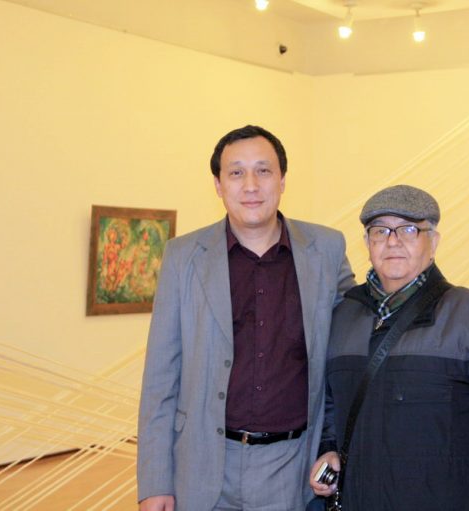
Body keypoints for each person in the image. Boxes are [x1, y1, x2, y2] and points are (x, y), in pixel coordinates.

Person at [138, 125, 355, 511]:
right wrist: (155, 482)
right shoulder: (182, 256)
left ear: (282, 180)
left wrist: (333, 443)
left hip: (294, 468)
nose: (251, 185)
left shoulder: (326, 249)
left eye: (263, 171)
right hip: (202, 466)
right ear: (218, 185)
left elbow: (347, 355)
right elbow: (160, 378)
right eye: (236, 172)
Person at [309, 185, 469, 511]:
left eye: (409, 229)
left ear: (433, 242)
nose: (393, 241)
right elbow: (329, 403)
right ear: (367, 243)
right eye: (380, 231)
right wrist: (328, 447)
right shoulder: (344, 317)